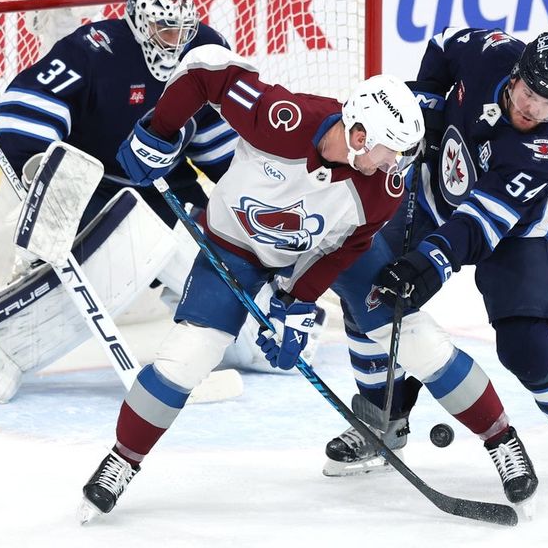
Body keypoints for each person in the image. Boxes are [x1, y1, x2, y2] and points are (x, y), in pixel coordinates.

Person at [78, 43, 426, 521]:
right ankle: (121, 461)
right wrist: (158, 132)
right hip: (234, 245)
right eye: (391, 151)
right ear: (363, 135)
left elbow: (346, 249)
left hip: (298, 252)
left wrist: (297, 305)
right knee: (188, 355)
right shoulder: (285, 118)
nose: (395, 166)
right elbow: (207, 69)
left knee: (380, 322)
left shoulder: (378, 186)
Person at [0, 0, 278, 402]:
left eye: (183, 28)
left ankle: (256, 341)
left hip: (168, 184)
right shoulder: (96, 50)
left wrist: (245, 190)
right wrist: (45, 168)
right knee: (107, 270)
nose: (175, 39)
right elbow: (23, 107)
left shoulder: (205, 50)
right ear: (138, 19)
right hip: (95, 187)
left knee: (210, 261)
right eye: (164, 28)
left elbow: (212, 135)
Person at [359, 27, 548, 483]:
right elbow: (445, 41)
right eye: (530, 93)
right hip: (435, 196)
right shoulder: (492, 52)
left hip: (511, 232)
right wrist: (429, 101)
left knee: (527, 348)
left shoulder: (540, 152)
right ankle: (380, 420)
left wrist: (428, 264)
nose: (535, 109)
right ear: (515, 75)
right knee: (370, 295)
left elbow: (477, 224)